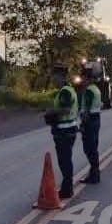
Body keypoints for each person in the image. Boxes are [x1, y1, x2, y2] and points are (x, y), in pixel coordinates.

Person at [45, 66, 78, 200]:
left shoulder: (65, 91)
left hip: (64, 132)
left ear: (61, 77)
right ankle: (67, 188)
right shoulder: (68, 90)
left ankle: (66, 190)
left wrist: (50, 113)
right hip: (67, 130)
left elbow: (65, 109)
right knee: (65, 160)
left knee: (64, 161)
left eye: (54, 77)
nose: (53, 80)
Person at [79, 65, 103, 185]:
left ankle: (94, 175)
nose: (81, 80)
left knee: (89, 149)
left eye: (82, 77)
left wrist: (82, 124)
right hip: (96, 119)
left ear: (86, 77)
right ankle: (95, 173)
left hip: (90, 121)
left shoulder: (89, 90)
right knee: (94, 148)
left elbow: (87, 110)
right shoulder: (96, 89)